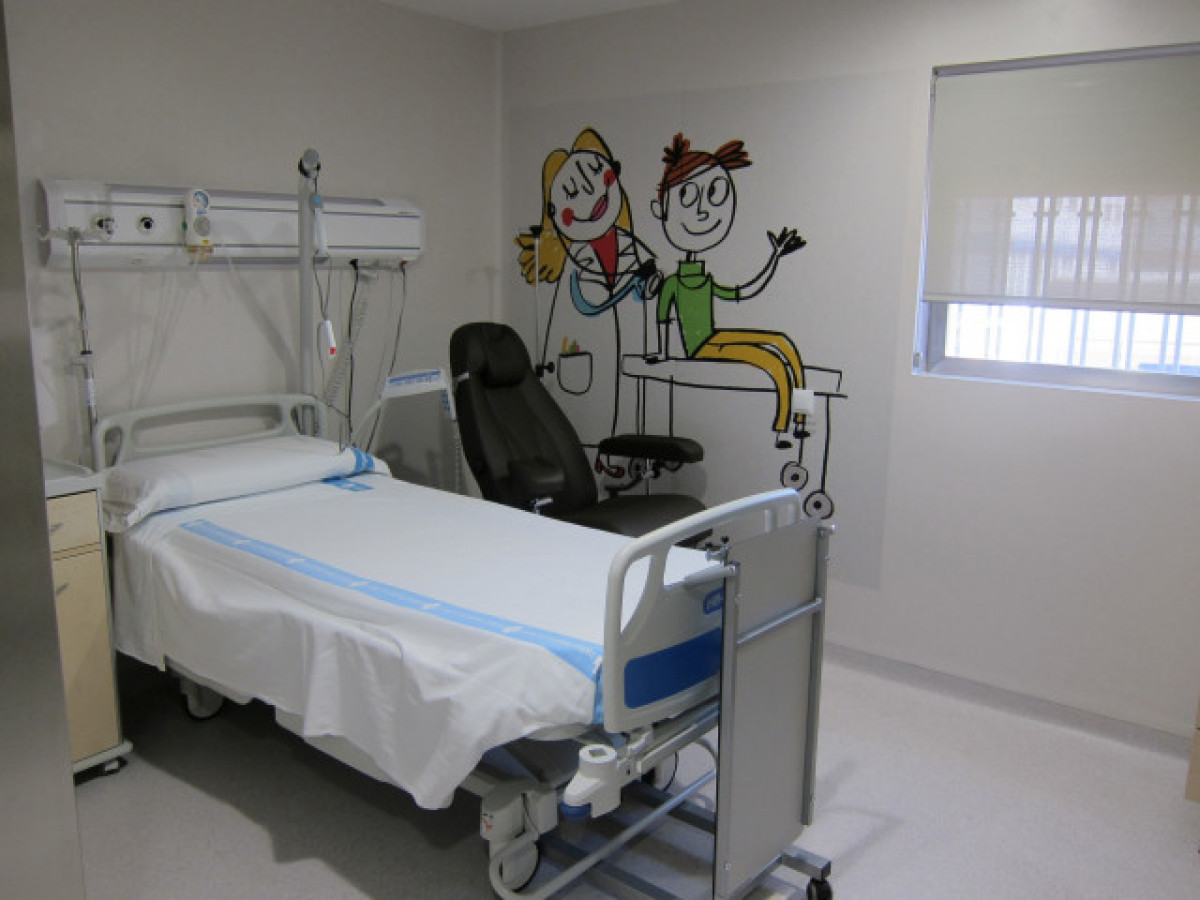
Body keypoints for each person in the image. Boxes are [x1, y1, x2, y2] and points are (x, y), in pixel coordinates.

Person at [650, 133, 807, 446]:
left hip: (714, 336)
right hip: (699, 348)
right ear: (662, 209)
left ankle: (802, 417)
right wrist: (663, 355)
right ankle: (781, 430)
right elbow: (662, 319)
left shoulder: (706, 281)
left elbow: (743, 291)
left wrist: (774, 258)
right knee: (772, 362)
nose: (702, 211)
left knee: (782, 343)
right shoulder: (672, 284)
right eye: (687, 197)